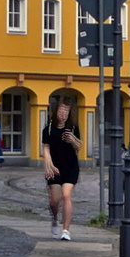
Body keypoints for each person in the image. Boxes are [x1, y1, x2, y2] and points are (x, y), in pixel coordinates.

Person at [42, 100, 83, 240]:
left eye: (66, 111)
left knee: (66, 195)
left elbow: (79, 146)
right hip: (54, 168)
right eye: (61, 111)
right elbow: (46, 147)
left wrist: (73, 139)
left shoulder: (73, 128)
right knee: (54, 201)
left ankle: (66, 230)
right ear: (56, 111)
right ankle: (54, 219)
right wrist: (48, 162)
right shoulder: (48, 129)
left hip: (70, 166)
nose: (64, 114)